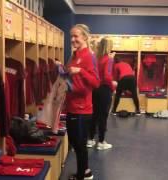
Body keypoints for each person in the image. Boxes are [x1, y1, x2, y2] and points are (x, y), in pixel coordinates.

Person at [65, 24, 100, 180]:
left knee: (80, 145)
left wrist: (80, 71)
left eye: (76, 36)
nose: (72, 39)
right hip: (71, 106)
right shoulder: (74, 55)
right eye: (71, 36)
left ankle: (83, 176)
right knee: (75, 143)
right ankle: (85, 171)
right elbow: (71, 78)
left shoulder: (88, 56)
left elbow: (96, 82)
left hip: (82, 109)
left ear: (85, 37)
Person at [87, 38, 117, 150]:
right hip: (104, 90)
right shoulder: (108, 59)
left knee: (94, 115)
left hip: (95, 89)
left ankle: (90, 140)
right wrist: (113, 86)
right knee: (103, 116)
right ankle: (101, 142)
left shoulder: (96, 58)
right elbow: (107, 76)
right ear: (109, 46)